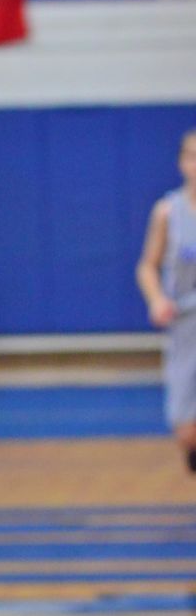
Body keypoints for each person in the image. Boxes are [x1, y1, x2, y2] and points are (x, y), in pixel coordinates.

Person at [137, 127, 196, 473]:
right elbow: (147, 266)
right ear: (181, 163)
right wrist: (157, 299)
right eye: (191, 156)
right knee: (185, 428)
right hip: (184, 322)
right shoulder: (167, 211)